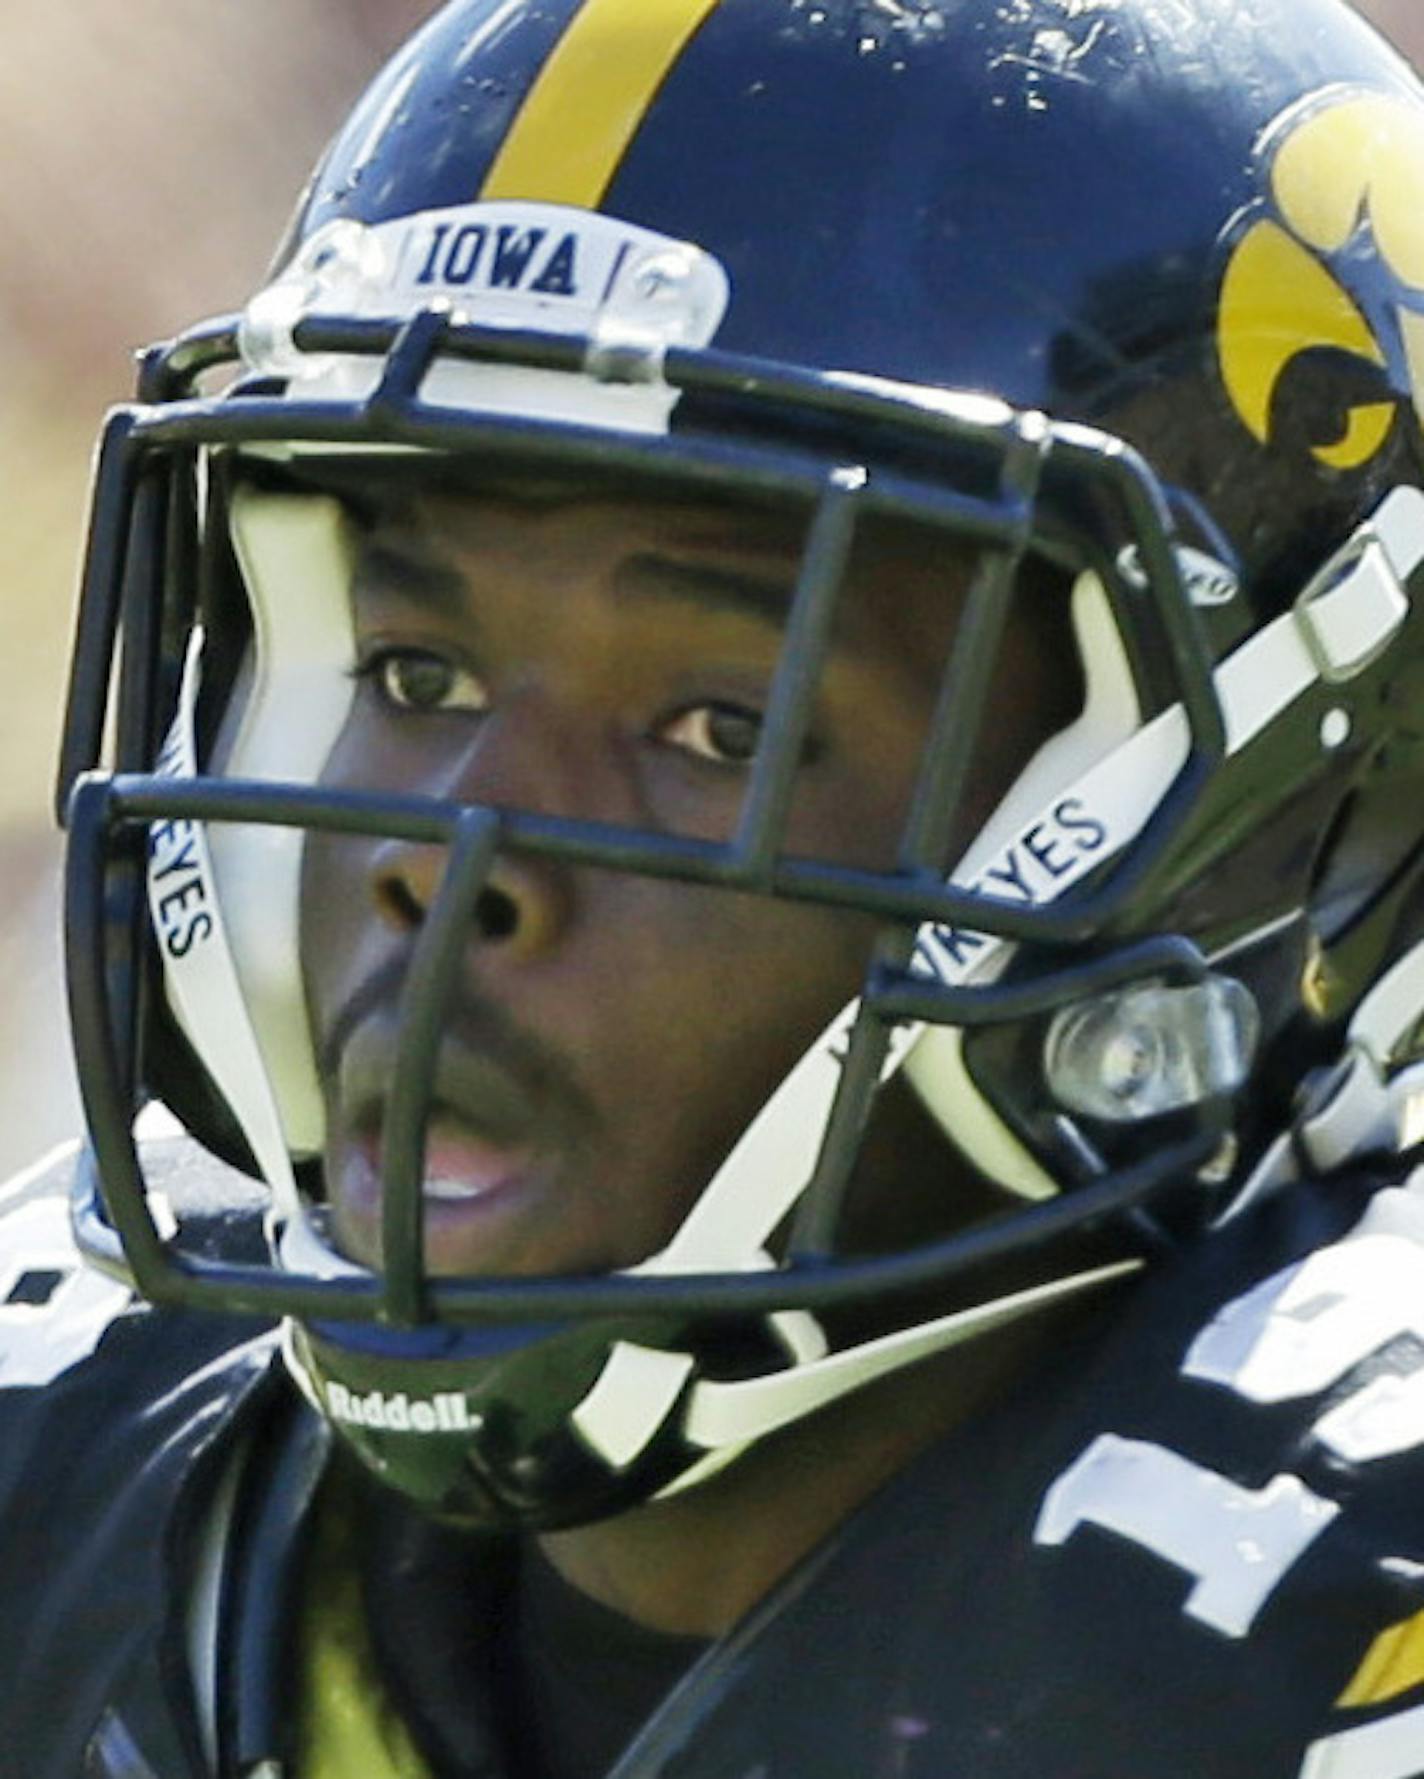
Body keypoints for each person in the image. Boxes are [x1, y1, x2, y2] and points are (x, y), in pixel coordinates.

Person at [10, 0, 1424, 1771]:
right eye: (411, 676)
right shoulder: (61, 1446)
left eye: (714, 721)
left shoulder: (1317, 1615)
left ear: (1298, 825)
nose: (455, 864)